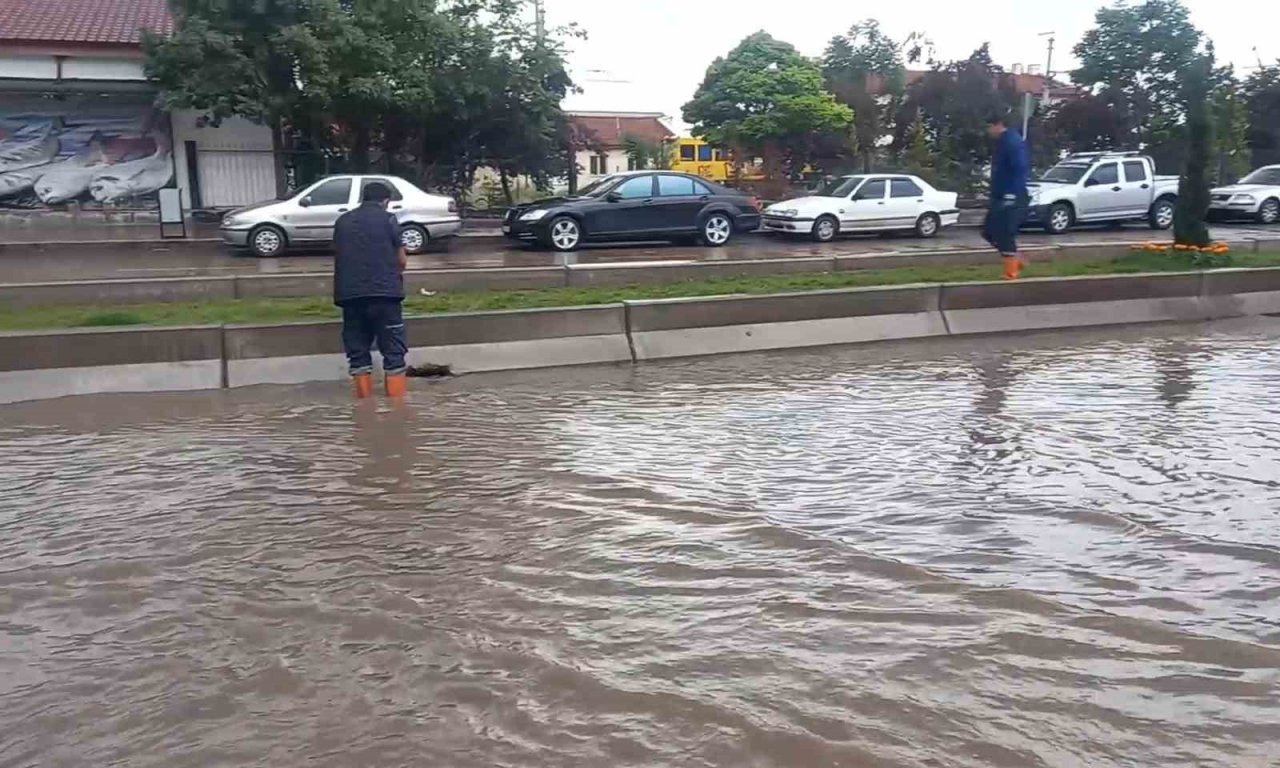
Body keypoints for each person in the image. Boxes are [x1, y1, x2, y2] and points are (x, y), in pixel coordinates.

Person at [333, 181, 409, 398]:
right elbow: (401, 260)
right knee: (394, 352)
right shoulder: (389, 220)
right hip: (386, 296)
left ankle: (364, 404)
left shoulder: (343, 221)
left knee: (357, 352)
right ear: (386, 201)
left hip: (350, 296)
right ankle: (397, 409)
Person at [984, 112, 1031, 280]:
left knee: (1005, 232)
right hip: (1000, 194)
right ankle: (1016, 260)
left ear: (998, 124)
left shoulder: (1012, 141)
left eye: (988, 126)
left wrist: (1011, 194)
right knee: (989, 231)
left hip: (1012, 195)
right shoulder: (1002, 142)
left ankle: (1011, 271)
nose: (987, 131)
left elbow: (1019, 168)